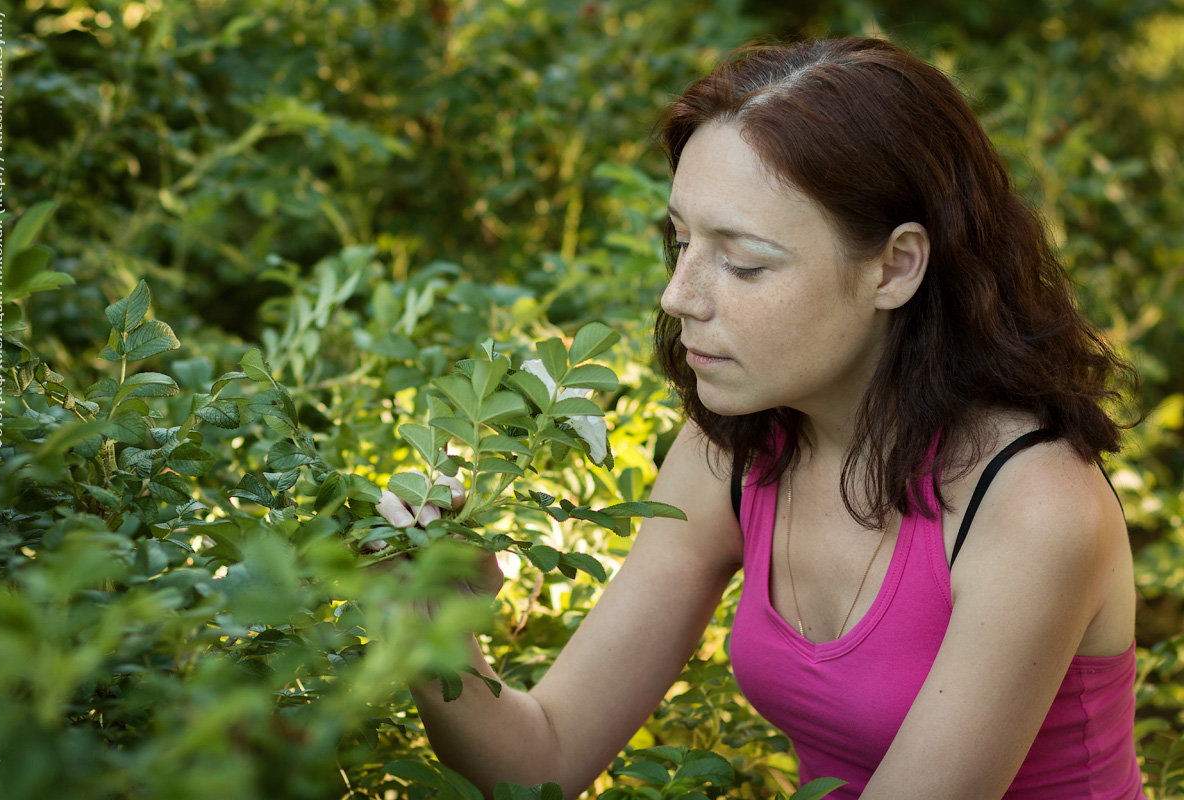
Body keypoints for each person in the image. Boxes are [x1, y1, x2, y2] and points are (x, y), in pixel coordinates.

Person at [375, 37, 1145, 799]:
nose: (679, 296)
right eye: (679, 241)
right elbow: (543, 761)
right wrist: (428, 620)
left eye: (743, 263)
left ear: (895, 266)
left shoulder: (1033, 506)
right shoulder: (737, 454)